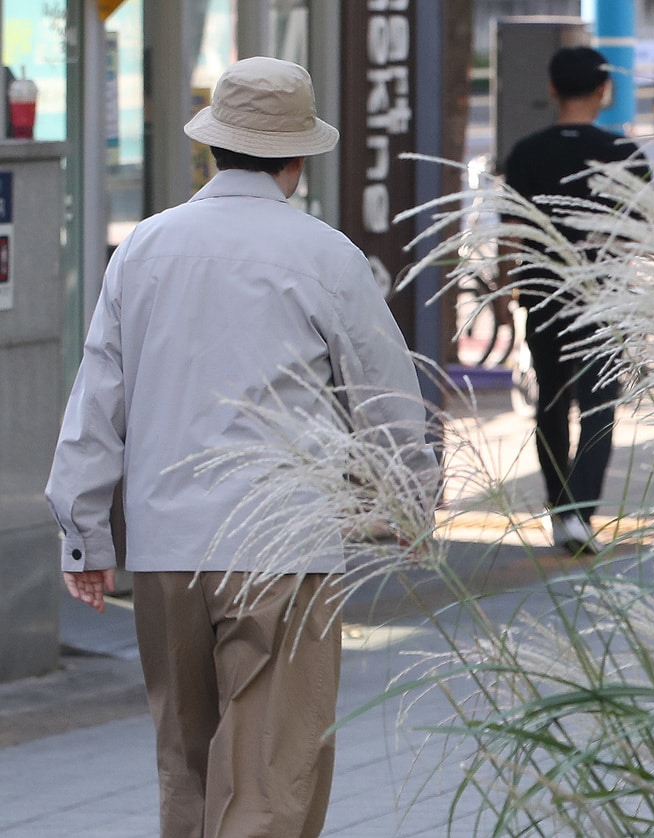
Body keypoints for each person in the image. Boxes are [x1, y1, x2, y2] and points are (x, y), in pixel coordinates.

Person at [46, 57, 435, 838]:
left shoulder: (144, 250)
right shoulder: (326, 256)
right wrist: (411, 500)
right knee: (269, 776)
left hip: (165, 547)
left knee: (185, 766)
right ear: (297, 157)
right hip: (281, 545)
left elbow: (97, 401)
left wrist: (84, 535)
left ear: (212, 149)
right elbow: (385, 395)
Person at [500, 47, 651, 554]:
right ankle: (579, 514)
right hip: (603, 295)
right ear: (603, 90)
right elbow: (640, 235)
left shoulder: (526, 152)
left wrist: (506, 294)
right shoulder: (622, 153)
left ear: (551, 89)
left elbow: (512, 233)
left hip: (541, 291)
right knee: (598, 404)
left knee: (551, 399)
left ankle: (560, 508)